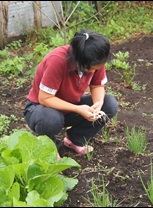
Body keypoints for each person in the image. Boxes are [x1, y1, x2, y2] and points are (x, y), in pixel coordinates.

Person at [23, 29, 118, 160]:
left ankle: (75, 138)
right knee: (50, 118)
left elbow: (97, 85)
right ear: (78, 60)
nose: (93, 71)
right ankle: (49, 148)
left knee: (109, 104)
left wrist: (98, 103)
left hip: (70, 106)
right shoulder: (57, 61)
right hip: (40, 109)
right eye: (90, 69)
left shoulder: (95, 58)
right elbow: (44, 98)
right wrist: (78, 109)